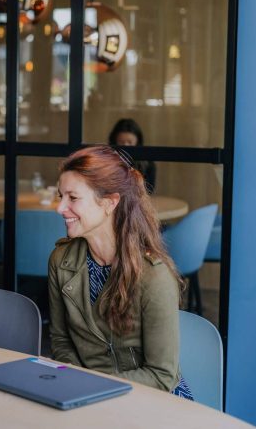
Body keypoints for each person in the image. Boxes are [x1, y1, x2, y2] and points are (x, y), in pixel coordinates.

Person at [48, 145, 192, 400]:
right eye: (61, 196)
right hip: (86, 396)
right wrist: (79, 389)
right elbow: (61, 342)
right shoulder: (61, 260)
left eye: (72, 197)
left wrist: (91, 387)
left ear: (109, 202)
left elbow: (161, 375)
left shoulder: (154, 276)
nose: (60, 208)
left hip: (150, 400)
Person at [108, 118, 156, 193]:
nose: (126, 145)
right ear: (115, 141)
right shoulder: (107, 160)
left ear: (137, 142)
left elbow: (149, 191)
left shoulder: (147, 164)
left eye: (130, 142)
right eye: (121, 142)